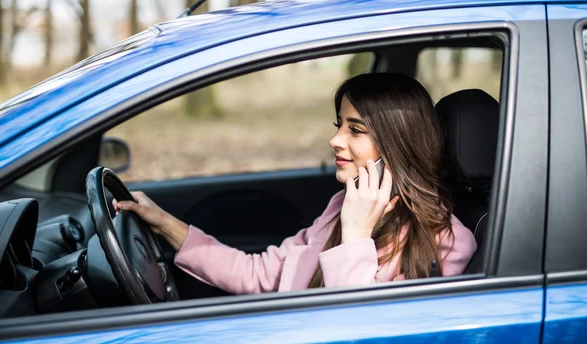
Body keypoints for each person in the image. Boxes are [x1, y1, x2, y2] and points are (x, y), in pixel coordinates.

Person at [114, 72, 477, 294]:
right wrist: (165, 223)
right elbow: (258, 274)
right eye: (339, 124)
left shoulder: (445, 242)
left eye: (355, 129)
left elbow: (362, 331)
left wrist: (355, 238)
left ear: (398, 143)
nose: (336, 140)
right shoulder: (341, 206)